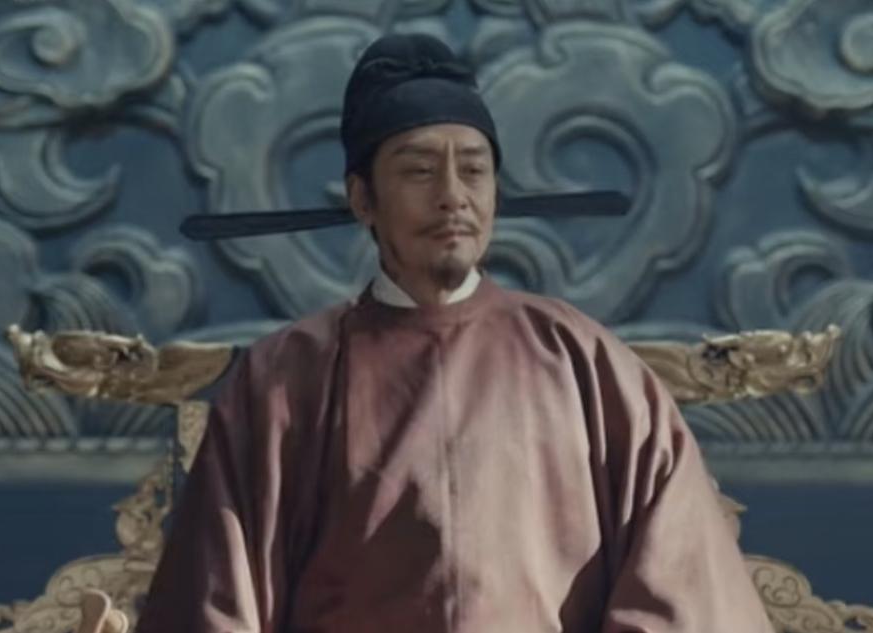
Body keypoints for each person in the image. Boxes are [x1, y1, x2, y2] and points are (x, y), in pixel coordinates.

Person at [135, 33, 773, 633]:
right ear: (362, 199)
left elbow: (682, 592)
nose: (452, 196)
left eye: (473, 170)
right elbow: (217, 604)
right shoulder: (285, 378)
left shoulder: (583, 361)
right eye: (418, 171)